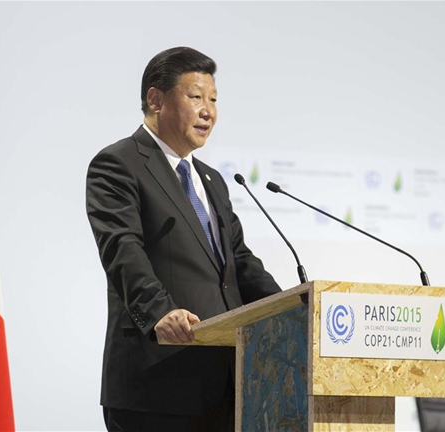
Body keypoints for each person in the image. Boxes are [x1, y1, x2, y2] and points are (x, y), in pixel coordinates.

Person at [86, 46, 281, 432]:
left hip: (225, 385)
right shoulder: (118, 165)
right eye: (195, 97)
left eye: (213, 100)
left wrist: (293, 308)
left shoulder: (212, 180)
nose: (208, 110)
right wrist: (159, 311)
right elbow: (123, 250)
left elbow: (238, 262)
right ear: (155, 99)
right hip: (158, 383)